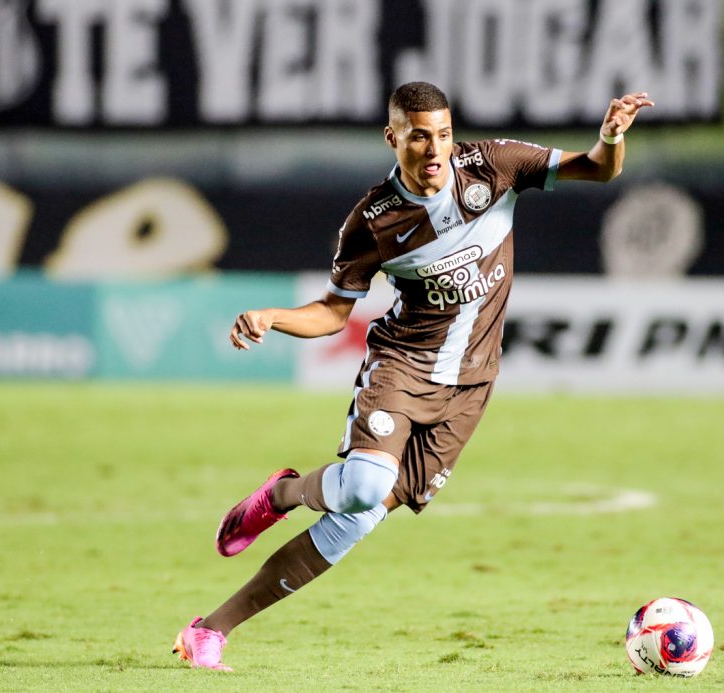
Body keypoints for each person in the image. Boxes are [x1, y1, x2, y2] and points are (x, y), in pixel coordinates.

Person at [173, 81, 654, 671]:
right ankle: (281, 495)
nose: (435, 151)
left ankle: (209, 630)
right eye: (419, 137)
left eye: (444, 136)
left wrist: (610, 136)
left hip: (471, 388)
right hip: (402, 368)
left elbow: (598, 170)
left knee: (355, 523)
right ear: (392, 137)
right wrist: (273, 316)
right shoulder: (373, 222)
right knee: (365, 487)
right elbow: (332, 311)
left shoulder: (495, 167)